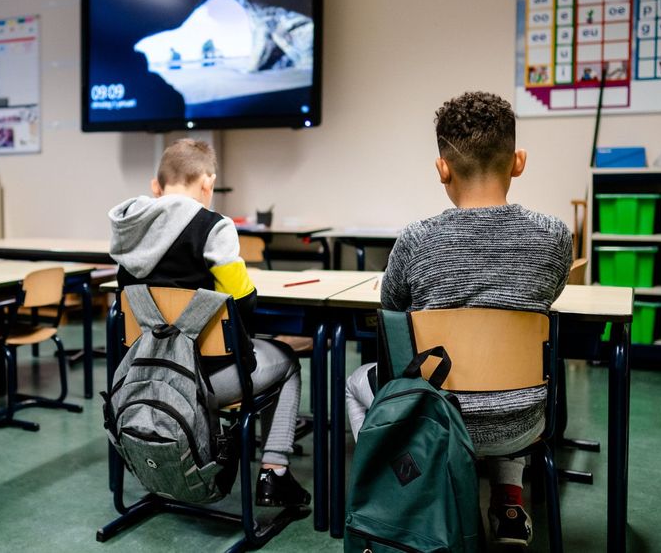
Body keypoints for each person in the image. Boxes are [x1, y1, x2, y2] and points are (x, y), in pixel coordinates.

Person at [345, 91, 572, 548]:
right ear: (519, 162)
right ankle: (509, 501)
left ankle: (412, 488)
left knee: (355, 381)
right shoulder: (554, 237)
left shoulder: (416, 240)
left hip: (437, 425)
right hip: (522, 421)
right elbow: (548, 295)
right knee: (503, 383)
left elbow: (392, 312)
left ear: (442, 168)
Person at [109, 138, 310, 508]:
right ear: (208, 183)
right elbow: (243, 305)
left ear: (157, 185)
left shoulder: (128, 232)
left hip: (143, 376)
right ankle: (274, 473)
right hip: (203, 379)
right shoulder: (212, 227)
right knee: (286, 359)